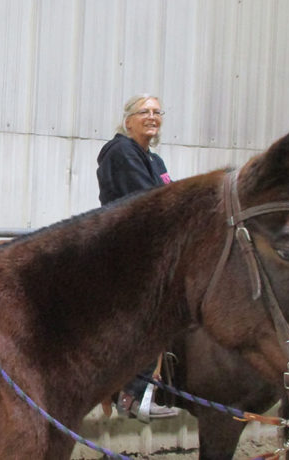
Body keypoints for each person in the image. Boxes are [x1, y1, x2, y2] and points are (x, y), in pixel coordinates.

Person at [96, 94, 179, 421]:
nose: (152, 117)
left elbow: (168, 197)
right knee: (152, 314)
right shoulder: (121, 152)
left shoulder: (154, 160)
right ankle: (132, 394)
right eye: (144, 111)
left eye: (157, 112)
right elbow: (152, 202)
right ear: (128, 120)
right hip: (125, 250)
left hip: (149, 248)